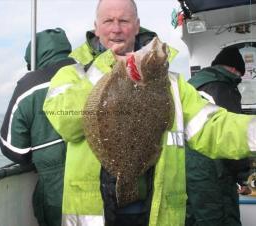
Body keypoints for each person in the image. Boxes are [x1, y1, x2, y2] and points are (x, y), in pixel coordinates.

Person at [43, 1, 256, 226]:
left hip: (155, 214)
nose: (116, 28)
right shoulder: (73, 74)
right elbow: (64, 120)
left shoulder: (172, 83)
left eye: (124, 21)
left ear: (137, 26)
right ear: (96, 27)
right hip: (95, 214)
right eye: (108, 21)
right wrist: (105, 68)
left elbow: (213, 128)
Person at [0, 28, 75, 226]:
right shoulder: (91, 74)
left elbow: (14, 150)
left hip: (56, 191)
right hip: (101, 186)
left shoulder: (29, 86)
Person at [185, 47, 251, 226]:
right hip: (215, 171)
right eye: (239, 73)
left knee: (196, 217)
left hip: (192, 169)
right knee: (222, 217)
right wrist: (245, 176)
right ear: (233, 69)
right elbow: (231, 137)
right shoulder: (222, 87)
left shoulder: (191, 85)